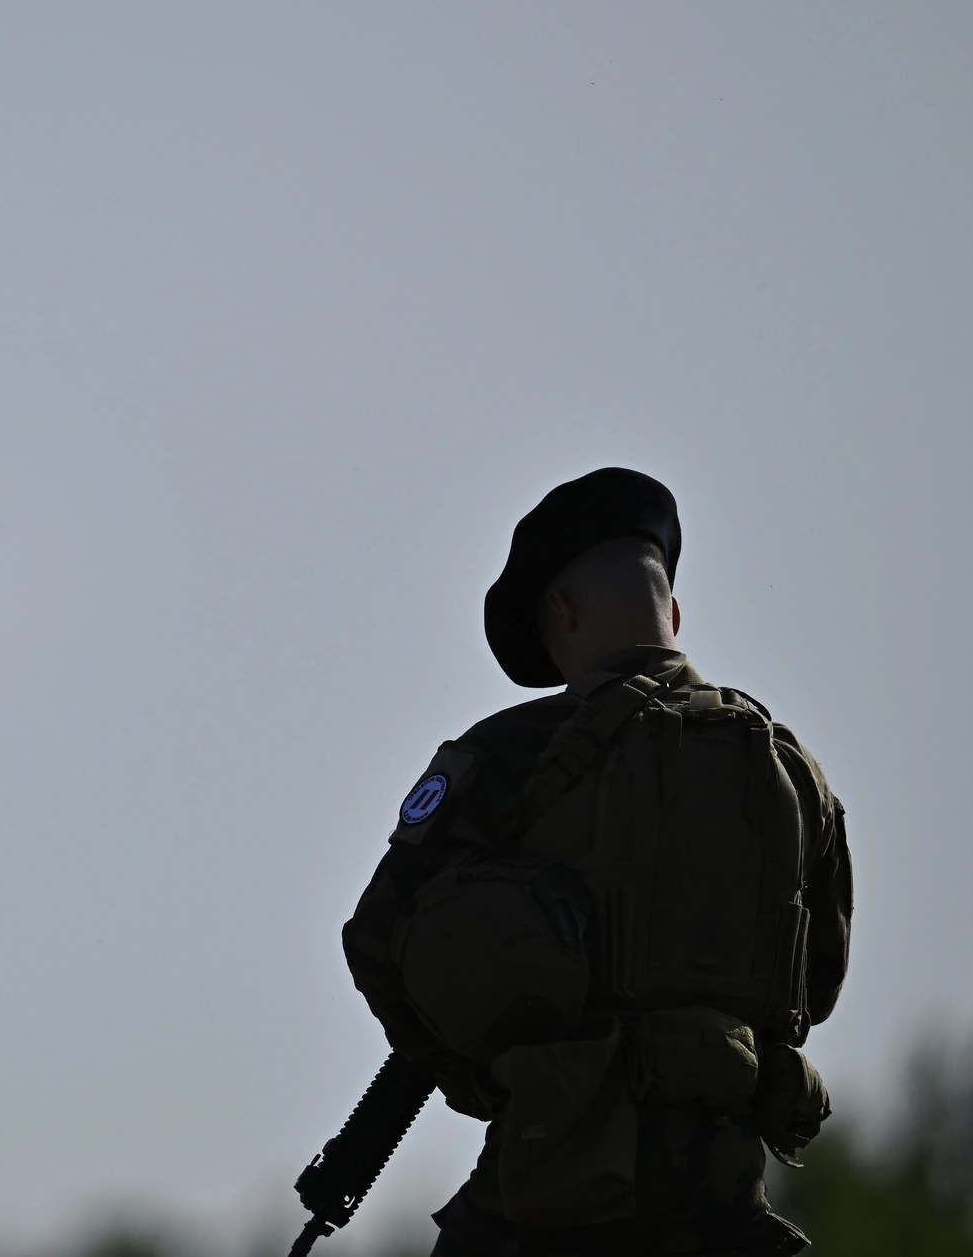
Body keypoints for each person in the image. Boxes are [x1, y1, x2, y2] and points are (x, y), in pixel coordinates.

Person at [341, 468, 853, 1257]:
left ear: (560, 610)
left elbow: (378, 939)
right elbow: (814, 986)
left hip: (543, 1198)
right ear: (672, 610)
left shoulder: (509, 754)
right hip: (720, 1206)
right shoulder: (792, 775)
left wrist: (487, 1075)